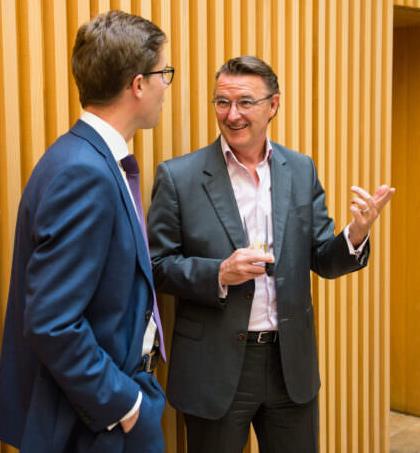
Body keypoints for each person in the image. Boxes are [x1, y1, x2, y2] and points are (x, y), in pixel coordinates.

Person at [147, 55, 394, 452]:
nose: (232, 115)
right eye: (222, 102)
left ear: (273, 105)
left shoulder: (299, 169)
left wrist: (357, 232)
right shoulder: (179, 177)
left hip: (289, 365)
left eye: (245, 102)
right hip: (215, 367)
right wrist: (219, 274)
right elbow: (157, 268)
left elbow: (322, 257)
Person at [0, 10, 173, 452]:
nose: (167, 86)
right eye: (164, 73)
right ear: (137, 85)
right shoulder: (84, 172)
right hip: (97, 421)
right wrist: (127, 405)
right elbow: (52, 322)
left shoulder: (80, 157)